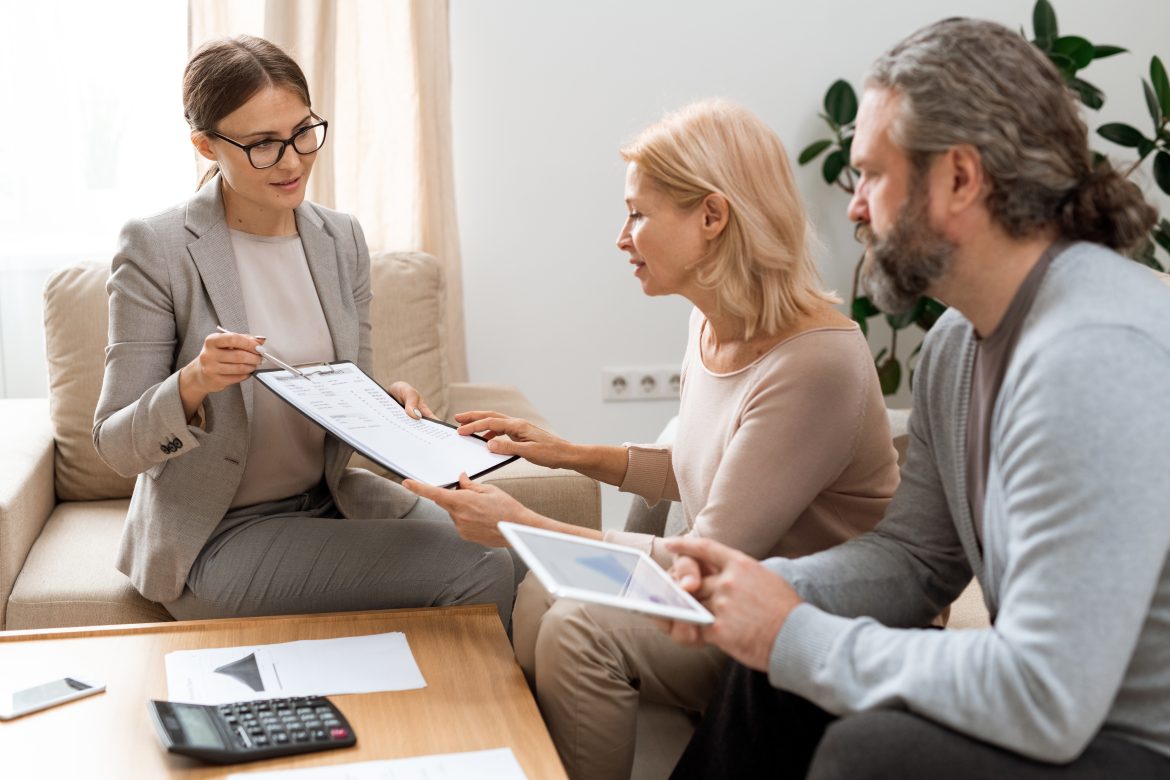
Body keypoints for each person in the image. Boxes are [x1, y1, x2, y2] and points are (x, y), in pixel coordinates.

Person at [661, 17, 1170, 780]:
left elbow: (1045, 695)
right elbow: (914, 560)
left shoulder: (1093, 354)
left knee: (870, 750)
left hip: (1133, 740)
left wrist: (789, 632)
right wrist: (764, 591)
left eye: (871, 174)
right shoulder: (955, 349)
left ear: (960, 179)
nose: (855, 206)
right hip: (1068, 710)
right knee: (778, 656)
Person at [404, 99, 901, 780]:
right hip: (725, 591)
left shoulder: (813, 362)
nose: (621, 236)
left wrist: (525, 525)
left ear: (712, 217)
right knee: (542, 592)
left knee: (580, 627)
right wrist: (562, 451)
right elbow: (698, 470)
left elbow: (708, 556)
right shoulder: (712, 324)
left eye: (638, 213)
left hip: (795, 626)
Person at [92, 35, 514, 624]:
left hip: (329, 501)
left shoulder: (339, 239)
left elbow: (348, 386)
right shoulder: (156, 248)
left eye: (302, 132)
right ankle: (467, 720)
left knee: (509, 547)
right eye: (263, 144)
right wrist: (193, 383)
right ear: (207, 145)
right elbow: (115, 443)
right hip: (216, 535)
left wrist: (387, 405)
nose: (292, 161)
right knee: (479, 567)